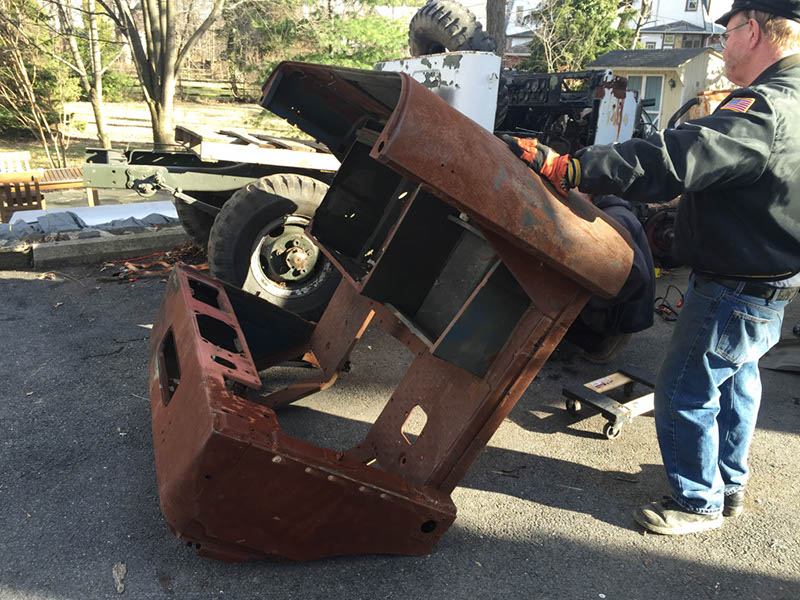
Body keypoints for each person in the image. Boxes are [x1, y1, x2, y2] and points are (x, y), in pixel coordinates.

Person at [503, 0, 800, 535]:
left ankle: (698, 501)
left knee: (687, 388)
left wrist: (572, 165)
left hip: (732, 283)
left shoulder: (764, 108)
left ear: (752, 29)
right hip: (773, 280)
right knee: (736, 382)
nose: (723, 43)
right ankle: (728, 483)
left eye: (727, 31)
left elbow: (677, 157)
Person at [563, 193, 656, 364]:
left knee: (566, 297)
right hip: (620, 302)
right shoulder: (605, 210)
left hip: (623, 312)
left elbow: (638, 277)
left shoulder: (612, 219)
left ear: (587, 192)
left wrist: (588, 300)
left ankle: (611, 336)